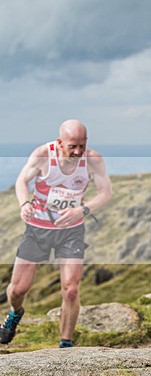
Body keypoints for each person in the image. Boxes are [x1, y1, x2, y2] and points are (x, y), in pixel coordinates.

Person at [0, 119, 113, 348]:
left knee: (71, 289)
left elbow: (106, 192)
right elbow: (22, 181)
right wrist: (24, 204)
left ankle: (65, 343)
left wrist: (82, 210)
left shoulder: (92, 160)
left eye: (82, 145)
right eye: (73, 146)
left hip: (70, 231)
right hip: (38, 229)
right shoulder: (43, 154)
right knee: (19, 288)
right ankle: (14, 313)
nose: (78, 151)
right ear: (60, 142)